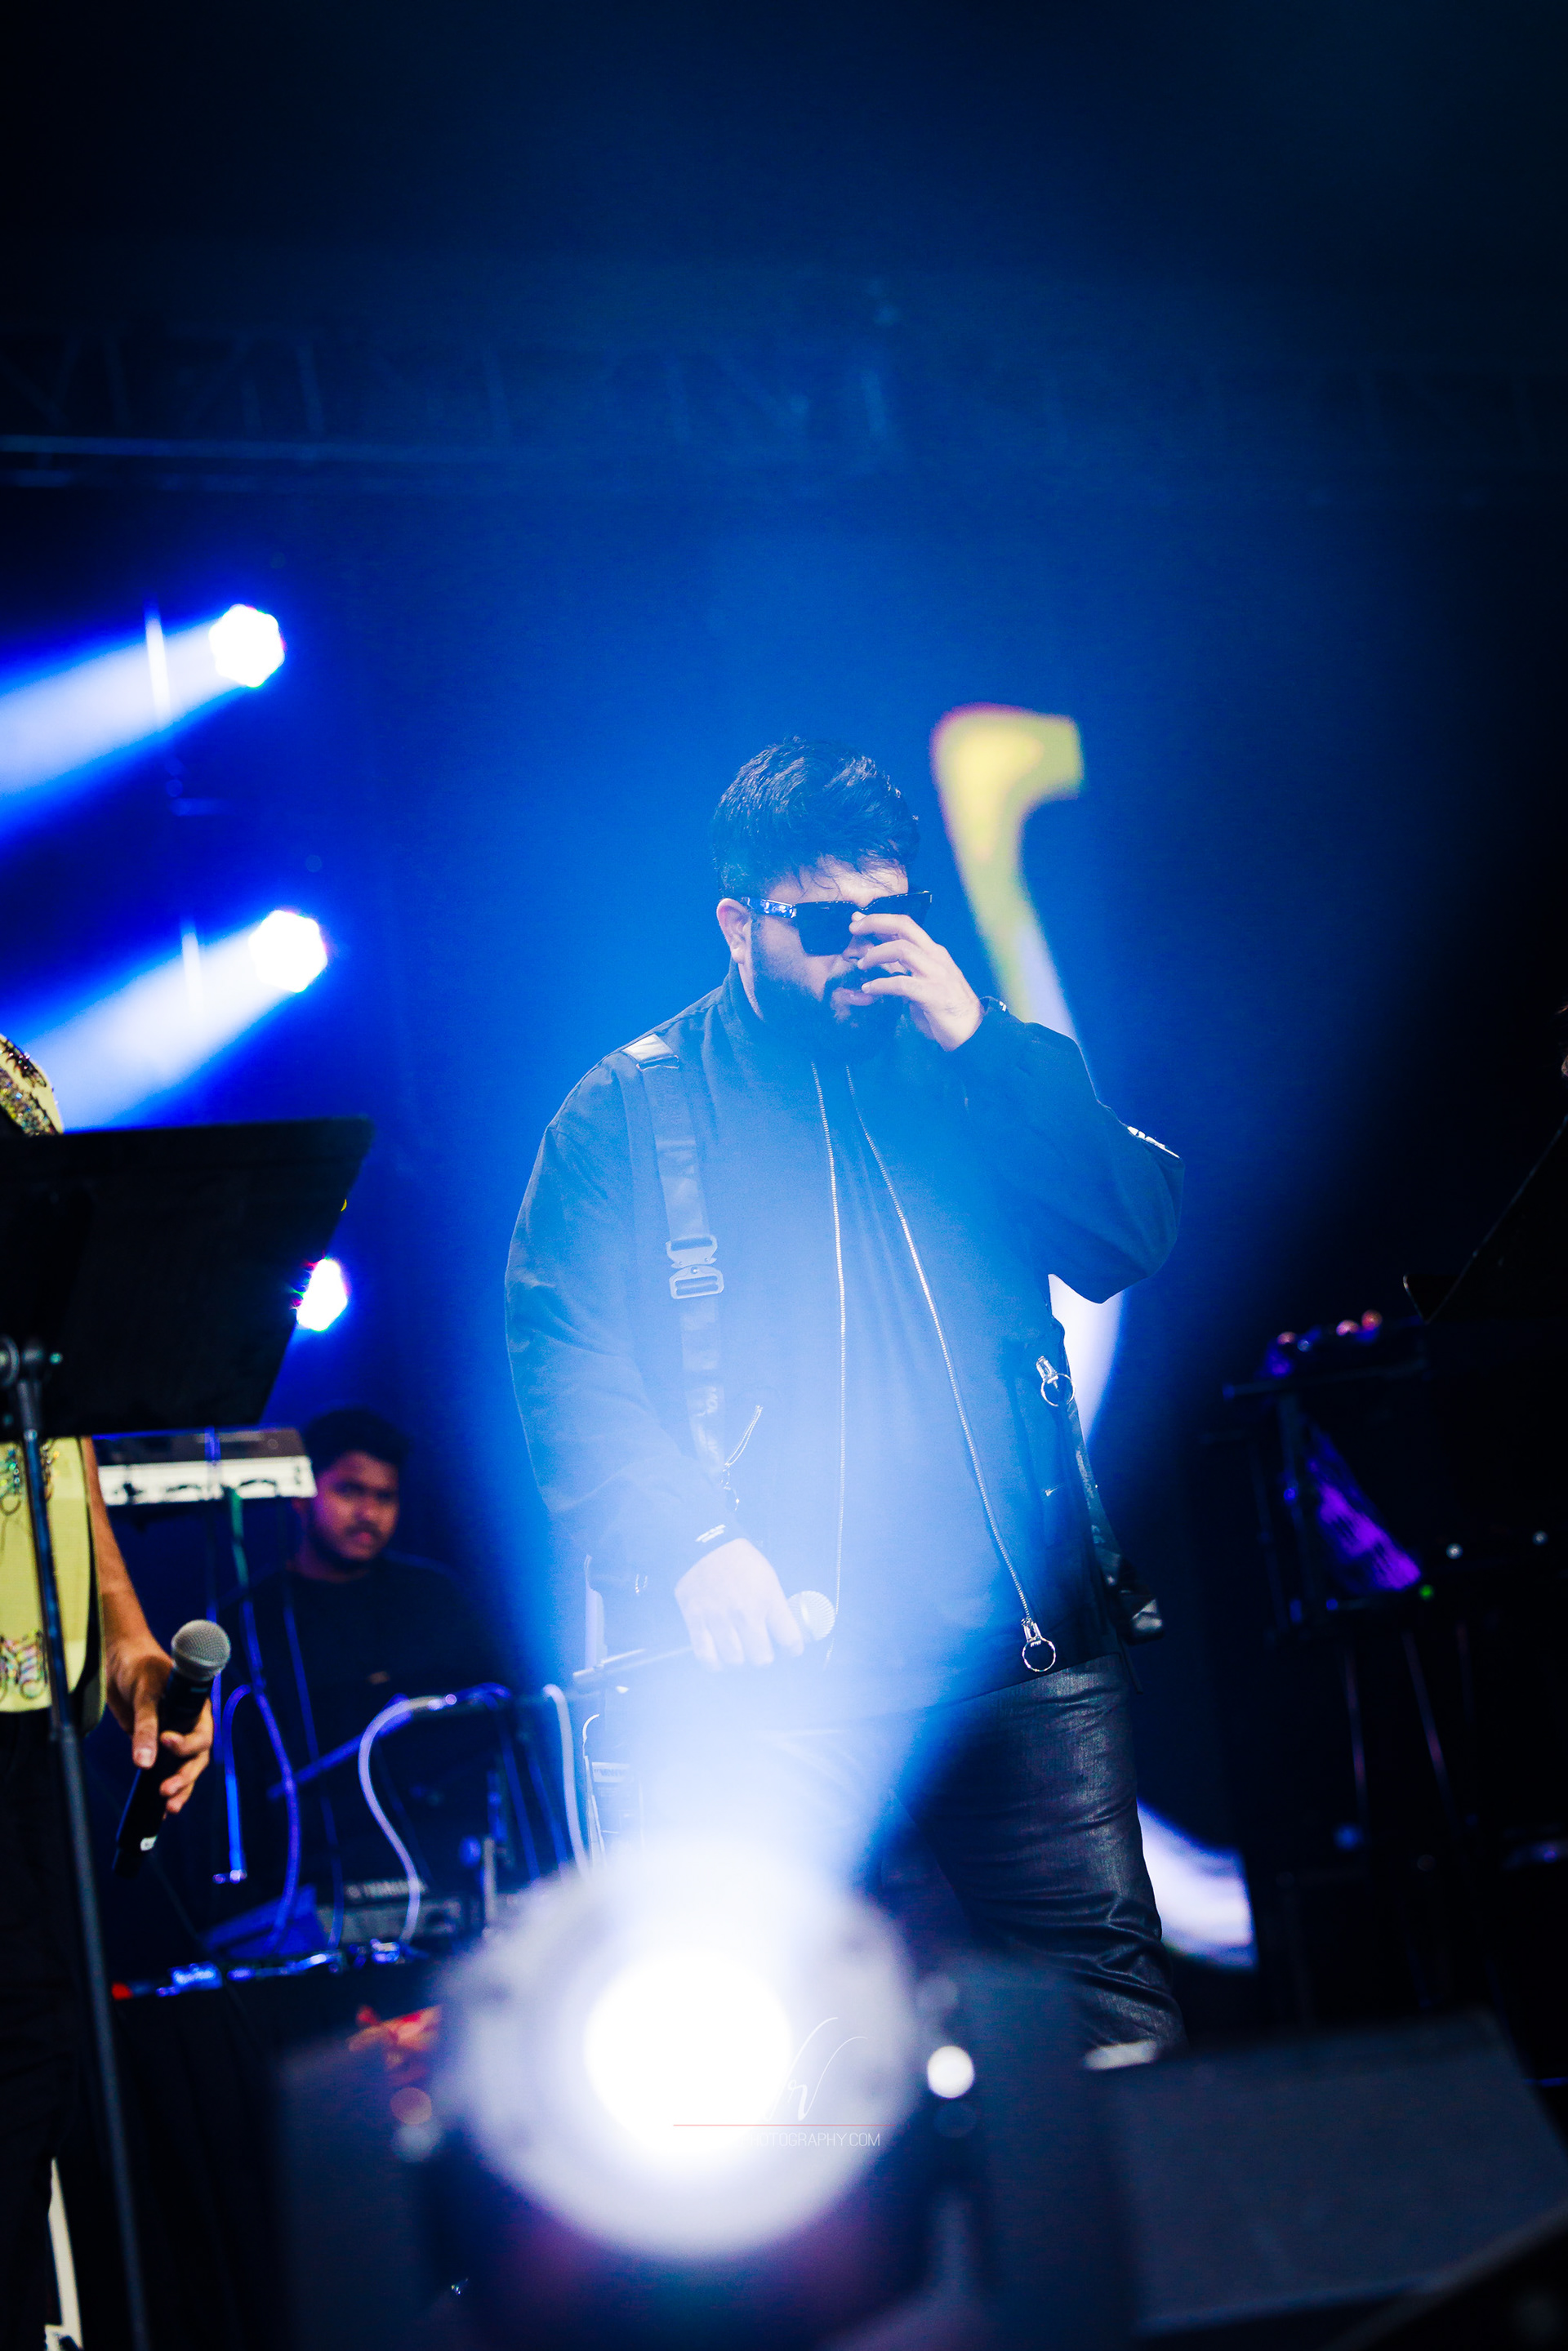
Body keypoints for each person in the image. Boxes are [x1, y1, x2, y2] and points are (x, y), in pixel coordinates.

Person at [507, 739, 1186, 2052]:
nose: (863, 952)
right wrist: (690, 1540)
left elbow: (1129, 1233)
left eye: (891, 915)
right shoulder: (630, 1110)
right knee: (802, 2066)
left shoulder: (973, 1062)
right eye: (825, 925)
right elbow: (565, 1356)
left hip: (1023, 1656)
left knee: (1107, 2036)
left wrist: (985, 1041)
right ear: (739, 923)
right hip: (778, 1684)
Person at [0, 1033, 212, 2351]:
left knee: (36, 2065)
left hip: (26, 1703)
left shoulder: (18, 1077)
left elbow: (56, 1415)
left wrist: (127, 1640)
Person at [218, 1408, 504, 1923]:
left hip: (445, 1863)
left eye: (385, 1497)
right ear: (302, 1494)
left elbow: (495, 1721)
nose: (369, 1513)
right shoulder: (247, 1620)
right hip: (305, 1886)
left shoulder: (434, 1596)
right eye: (350, 1491)